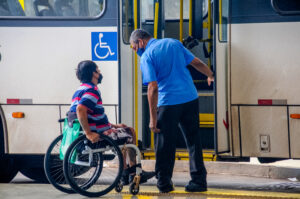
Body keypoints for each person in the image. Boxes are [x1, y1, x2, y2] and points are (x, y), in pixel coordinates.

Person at [130, 29, 214, 193]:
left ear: (140, 42)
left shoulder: (147, 56)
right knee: (193, 141)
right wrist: (210, 74)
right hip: (190, 98)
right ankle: (199, 182)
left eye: (134, 48)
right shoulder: (173, 43)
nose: (136, 51)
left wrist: (153, 118)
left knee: (164, 145)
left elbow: (152, 88)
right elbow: (195, 62)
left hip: (168, 103)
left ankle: (164, 183)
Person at [69, 60, 155, 185]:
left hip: (90, 132)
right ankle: (134, 172)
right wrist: (88, 133)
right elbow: (80, 109)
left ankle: (125, 173)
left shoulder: (80, 90)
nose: (100, 72)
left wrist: (113, 125)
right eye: (98, 70)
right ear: (94, 73)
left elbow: (93, 116)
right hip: (96, 136)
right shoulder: (92, 90)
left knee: (121, 130)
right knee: (130, 132)